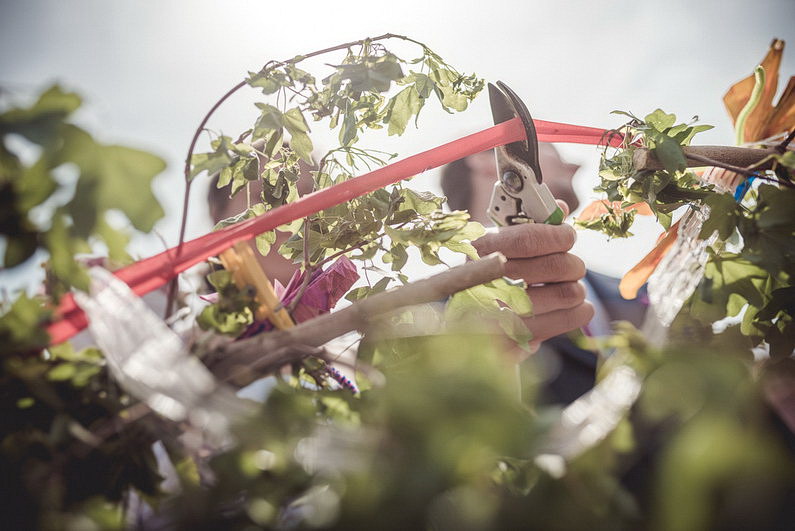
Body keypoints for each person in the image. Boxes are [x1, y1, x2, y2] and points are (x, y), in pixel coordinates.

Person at [442, 144, 647, 404]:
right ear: (484, 159)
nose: (576, 167)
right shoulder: (414, 320)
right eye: (549, 148)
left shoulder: (642, 293)